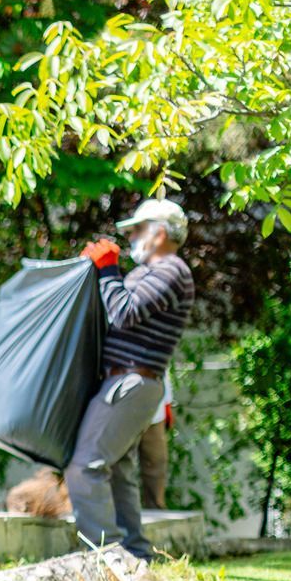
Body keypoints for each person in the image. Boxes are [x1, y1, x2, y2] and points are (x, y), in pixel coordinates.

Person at [68, 199, 194, 560]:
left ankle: (103, 556)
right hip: (127, 383)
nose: (131, 237)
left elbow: (124, 313)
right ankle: (136, 553)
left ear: (159, 232)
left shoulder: (172, 270)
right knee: (119, 470)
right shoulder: (149, 273)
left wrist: (108, 270)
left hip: (132, 383)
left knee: (85, 465)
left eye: (137, 229)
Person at [138, 375, 175, 510]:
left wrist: (167, 404)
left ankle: (156, 509)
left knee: (157, 463)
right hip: (121, 412)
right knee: (121, 468)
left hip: (155, 414)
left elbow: (164, 370)